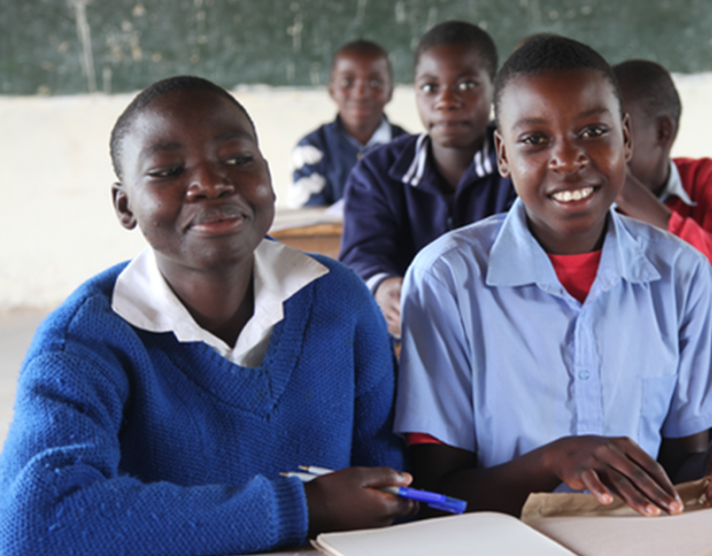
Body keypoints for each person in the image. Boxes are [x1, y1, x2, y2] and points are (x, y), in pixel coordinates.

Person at [0, 76, 417, 556]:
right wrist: (304, 506)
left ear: (268, 176)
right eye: (168, 170)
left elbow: (390, 483)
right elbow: (36, 523)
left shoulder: (339, 299)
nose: (212, 184)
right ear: (124, 205)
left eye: (238, 160)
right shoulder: (83, 342)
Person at [395, 36, 712, 518]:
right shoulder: (446, 280)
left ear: (626, 137)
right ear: (502, 154)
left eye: (593, 131)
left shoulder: (681, 274)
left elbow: (679, 463)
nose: (567, 158)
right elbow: (438, 492)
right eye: (534, 140)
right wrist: (552, 462)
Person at [339, 21, 516, 336]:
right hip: (413, 333)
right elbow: (362, 253)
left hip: (500, 330)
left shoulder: (519, 165)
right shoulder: (377, 171)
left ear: (495, 89)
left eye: (467, 85)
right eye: (430, 87)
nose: (446, 100)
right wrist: (383, 286)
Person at [612, 60, 712, 270]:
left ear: (662, 132)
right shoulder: (591, 200)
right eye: (594, 132)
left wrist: (629, 195)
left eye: (616, 132)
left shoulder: (706, 179)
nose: (601, 148)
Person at [289, 39, 408, 209]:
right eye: (347, 82)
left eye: (375, 83)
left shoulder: (409, 149)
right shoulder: (311, 149)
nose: (360, 94)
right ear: (332, 91)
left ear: (390, 92)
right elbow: (310, 216)